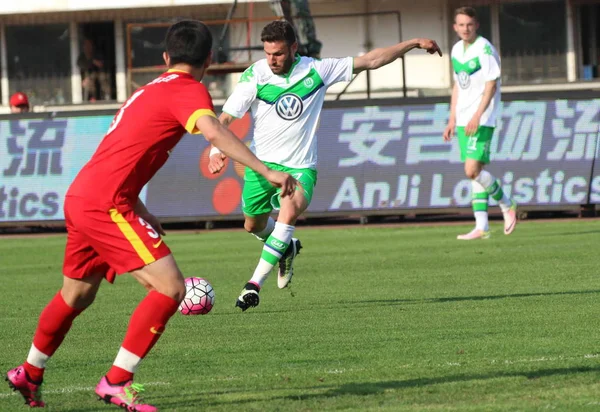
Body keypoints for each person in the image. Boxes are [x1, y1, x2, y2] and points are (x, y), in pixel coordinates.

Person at [5, 20, 297, 411]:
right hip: (106, 203)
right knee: (170, 288)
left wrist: (141, 208)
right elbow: (213, 132)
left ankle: (30, 371)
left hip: (83, 195)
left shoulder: (145, 91)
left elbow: (120, 154)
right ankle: (116, 381)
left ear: (165, 57)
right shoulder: (188, 90)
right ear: (209, 60)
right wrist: (267, 170)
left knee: (76, 294)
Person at [208, 20, 442, 311]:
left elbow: (371, 60)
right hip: (261, 165)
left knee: (289, 210)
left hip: (300, 167)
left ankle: (253, 285)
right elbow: (227, 117)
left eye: (278, 53)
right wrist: (216, 148)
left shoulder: (317, 70)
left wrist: (414, 42)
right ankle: (287, 248)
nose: (272, 60)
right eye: (268, 53)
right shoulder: (256, 74)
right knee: (252, 224)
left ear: (293, 47)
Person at [443, 6, 517, 240]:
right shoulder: (456, 50)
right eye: (461, 25)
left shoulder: (484, 49)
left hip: (482, 119)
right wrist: (452, 117)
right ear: (455, 27)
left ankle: (507, 204)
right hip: (463, 118)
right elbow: (458, 84)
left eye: (469, 24)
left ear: (477, 25)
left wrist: (477, 115)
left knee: (471, 169)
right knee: (475, 172)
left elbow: (491, 85)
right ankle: (482, 225)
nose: (465, 28)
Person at [78, 37, 112, 102]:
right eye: (86, 45)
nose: (88, 47)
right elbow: (81, 65)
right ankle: (91, 98)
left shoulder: (97, 54)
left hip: (100, 74)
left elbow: (101, 64)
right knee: (88, 83)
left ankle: (106, 98)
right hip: (87, 77)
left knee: (103, 79)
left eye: (89, 45)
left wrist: (93, 60)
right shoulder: (82, 56)